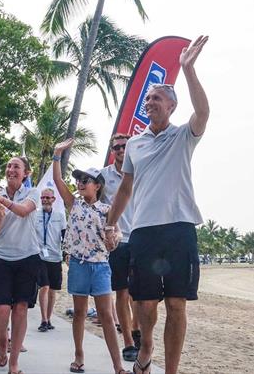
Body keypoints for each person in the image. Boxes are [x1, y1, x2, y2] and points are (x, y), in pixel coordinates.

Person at [107, 35, 210, 374]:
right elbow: (125, 189)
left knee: (177, 305)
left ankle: (171, 371)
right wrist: (110, 223)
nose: (149, 101)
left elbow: (203, 111)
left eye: (157, 97)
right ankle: (147, 344)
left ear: (171, 106)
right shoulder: (134, 144)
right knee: (146, 304)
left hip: (180, 229)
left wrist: (188, 69)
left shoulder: (184, 135)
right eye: (148, 97)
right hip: (144, 232)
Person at [52, 139, 127, 374]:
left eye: (85, 180)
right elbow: (57, 180)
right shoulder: (74, 204)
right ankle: (79, 355)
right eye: (78, 180)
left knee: (106, 315)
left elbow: (116, 238)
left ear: (97, 186)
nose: (80, 184)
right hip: (78, 265)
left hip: (101, 267)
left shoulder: (107, 210)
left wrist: (112, 239)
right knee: (80, 314)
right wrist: (56, 155)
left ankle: (118, 366)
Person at [0, 156, 40, 374]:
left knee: (20, 309)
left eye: (16, 166)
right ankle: (1, 340)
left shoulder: (32, 193)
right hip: (1, 257)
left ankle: (14, 361)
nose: (11, 169)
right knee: (1, 307)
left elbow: (23, 210)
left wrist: (4, 202)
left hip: (28, 257)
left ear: (26, 173)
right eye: (9, 166)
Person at [101, 133, 140, 361]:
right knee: (122, 293)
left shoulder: (142, 170)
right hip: (118, 242)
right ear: (112, 151)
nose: (121, 150)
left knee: (141, 293)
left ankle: (137, 331)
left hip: (142, 237)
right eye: (116, 147)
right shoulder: (103, 177)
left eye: (124, 146)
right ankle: (128, 341)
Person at [35, 187, 67, 333]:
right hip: (40, 256)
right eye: (43, 198)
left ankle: (49, 318)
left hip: (55, 256)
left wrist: (67, 252)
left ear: (53, 200)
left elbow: (65, 236)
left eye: (48, 198)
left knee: (53, 290)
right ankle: (43, 319)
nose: (45, 200)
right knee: (44, 286)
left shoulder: (60, 216)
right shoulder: (35, 215)